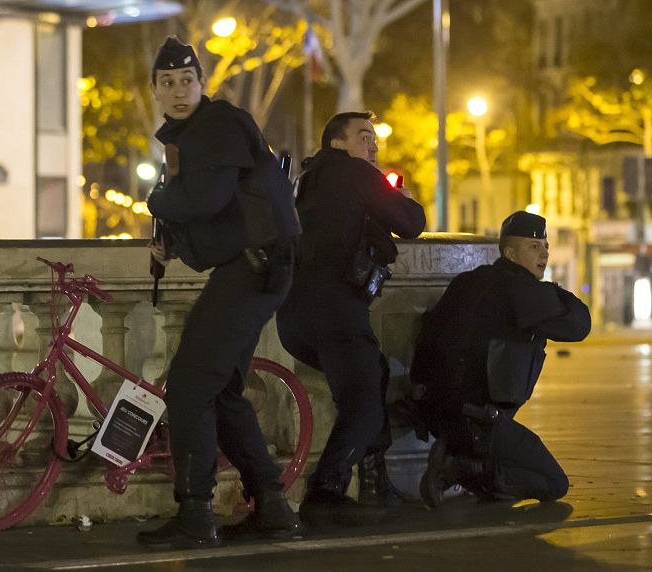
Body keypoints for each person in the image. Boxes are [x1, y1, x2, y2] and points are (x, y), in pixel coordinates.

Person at [136, 36, 302, 549]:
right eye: (168, 82)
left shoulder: (218, 124)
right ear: (156, 92)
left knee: (188, 385)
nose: (179, 89)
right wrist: (173, 239)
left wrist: (155, 200)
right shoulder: (193, 136)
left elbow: (205, 199)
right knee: (222, 389)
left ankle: (194, 513)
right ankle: (271, 504)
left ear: (202, 84)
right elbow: (215, 214)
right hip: (253, 269)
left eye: (188, 80)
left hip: (254, 271)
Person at [276, 111, 426, 526]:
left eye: (373, 138)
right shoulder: (357, 173)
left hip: (294, 319)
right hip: (335, 310)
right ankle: (325, 489)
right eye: (363, 137)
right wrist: (402, 197)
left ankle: (375, 482)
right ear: (337, 144)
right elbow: (412, 223)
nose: (372, 145)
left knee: (370, 375)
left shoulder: (306, 180)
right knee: (363, 404)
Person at [411, 211, 591, 507]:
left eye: (545, 246)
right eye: (533, 247)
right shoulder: (522, 290)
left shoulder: (468, 281)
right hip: (480, 421)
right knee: (554, 484)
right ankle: (460, 468)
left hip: (434, 413)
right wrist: (555, 292)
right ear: (509, 252)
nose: (543, 253)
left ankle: (461, 459)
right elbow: (579, 325)